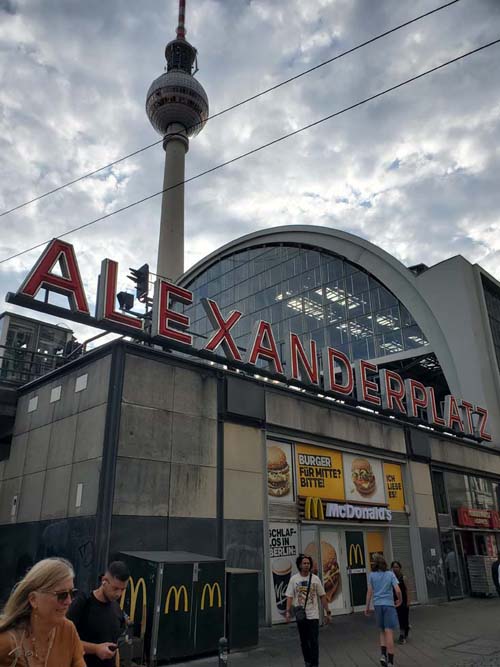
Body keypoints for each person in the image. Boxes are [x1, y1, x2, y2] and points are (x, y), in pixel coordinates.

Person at [0, 557, 85, 666]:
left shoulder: (68, 630)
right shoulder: (7, 641)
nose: (69, 601)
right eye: (61, 595)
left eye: (72, 593)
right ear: (33, 599)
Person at [67, 561, 129, 667]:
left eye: (123, 589)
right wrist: (95, 649)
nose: (119, 594)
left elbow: (115, 648)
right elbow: (64, 640)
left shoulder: (116, 608)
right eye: (115, 588)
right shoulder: (83, 603)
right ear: (104, 581)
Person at [285, 554, 331, 667]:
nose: (306, 565)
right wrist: (287, 612)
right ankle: (308, 662)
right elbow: (289, 596)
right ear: (300, 565)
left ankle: (315, 664)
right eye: (304, 563)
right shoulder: (294, 579)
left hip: (313, 615)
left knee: (314, 641)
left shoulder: (315, 579)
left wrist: (327, 612)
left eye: (308, 563)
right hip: (301, 615)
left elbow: (322, 596)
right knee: (304, 641)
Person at [365, 554, 402, 667]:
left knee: (381, 631)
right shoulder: (390, 574)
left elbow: (369, 592)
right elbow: (398, 590)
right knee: (389, 632)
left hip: (378, 606)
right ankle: (390, 662)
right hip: (389, 606)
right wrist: (399, 601)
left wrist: (367, 607)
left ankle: (383, 655)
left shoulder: (372, 575)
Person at [391, 561, 410, 643]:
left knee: (404, 617)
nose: (395, 569)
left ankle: (402, 635)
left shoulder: (403, 578)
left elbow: (407, 590)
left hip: (404, 600)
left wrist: (408, 601)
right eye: (394, 567)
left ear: (400, 568)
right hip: (396, 600)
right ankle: (404, 631)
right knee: (399, 617)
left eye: (397, 567)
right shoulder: (392, 578)